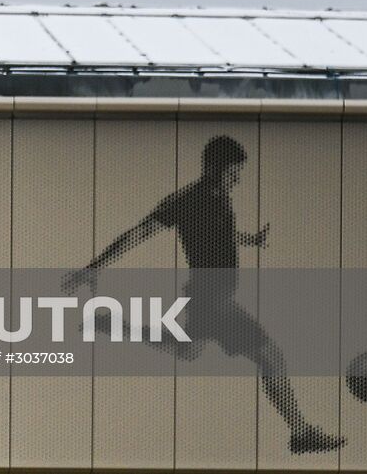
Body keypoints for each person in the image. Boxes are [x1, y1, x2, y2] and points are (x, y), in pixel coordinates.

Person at [62, 135, 342, 455]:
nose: (237, 179)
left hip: (206, 298)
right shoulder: (188, 200)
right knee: (273, 358)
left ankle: (109, 323)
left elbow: (221, 231)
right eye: (231, 172)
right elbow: (141, 231)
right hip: (214, 301)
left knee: (188, 351)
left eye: (238, 173)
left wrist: (249, 240)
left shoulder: (219, 195)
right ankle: (302, 433)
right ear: (212, 167)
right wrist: (94, 267)